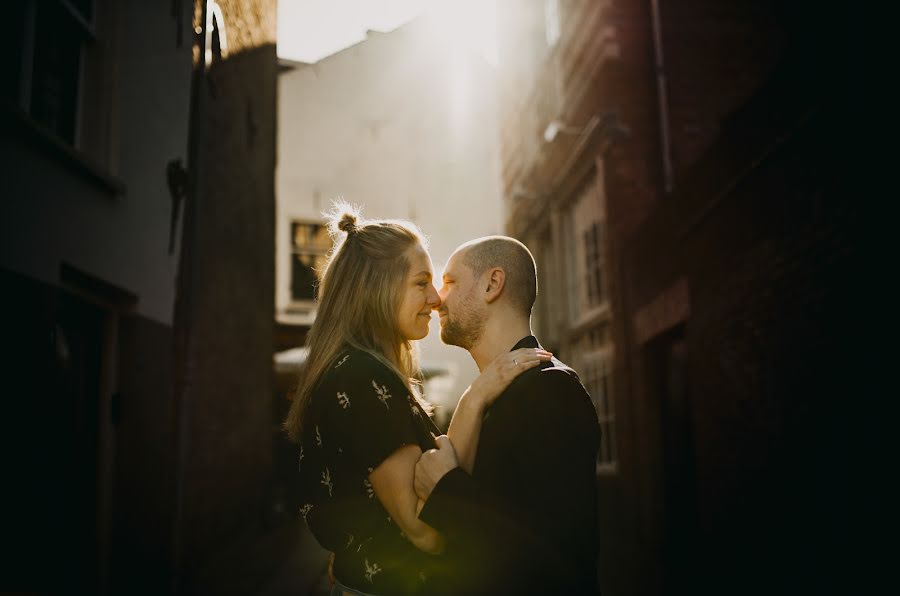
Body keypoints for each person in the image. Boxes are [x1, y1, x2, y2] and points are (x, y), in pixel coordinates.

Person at [283, 207, 551, 596]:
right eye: (422, 282)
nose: (436, 298)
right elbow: (425, 531)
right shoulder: (360, 376)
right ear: (378, 287)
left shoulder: (364, 372)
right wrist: (476, 396)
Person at [414, 236, 601, 594]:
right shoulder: (497, 393)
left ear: (492, 284)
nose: (437, 298)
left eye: (450, 282)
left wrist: (445, 492)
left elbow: (555, 557)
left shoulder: (550, 391)